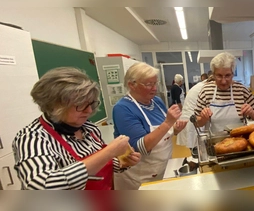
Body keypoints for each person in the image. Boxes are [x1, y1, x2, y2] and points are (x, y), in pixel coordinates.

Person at [12, 67, 141, 190]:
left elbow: (99, 167)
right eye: (80, 105)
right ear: (54, 105)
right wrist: (108, 152)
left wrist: (123, 162)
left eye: (91, 104)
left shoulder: (89, 128)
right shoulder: (32, 137)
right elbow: (40, 186)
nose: (89, 111)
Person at [112, 62, 188, 189]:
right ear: (132, 85)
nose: (154, 88)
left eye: (155, 83)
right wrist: (168, 122)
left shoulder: (156, 102)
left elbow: (163, 133)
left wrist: (175, 129)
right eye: (148, 84)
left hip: (163, 168)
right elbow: (141, 147)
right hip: (138, 177)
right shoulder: (123, 108)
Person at [194, 52, 254, 133]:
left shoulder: (241, 90)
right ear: (213, 75)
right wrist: (203, 118)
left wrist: (251, 112)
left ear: (233, 74)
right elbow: (196, 123)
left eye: (227, 75)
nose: (223, 81)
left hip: (240, 141)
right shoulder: (206, 91)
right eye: (219, 76)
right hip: (216, 141)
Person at [177, 73, 213, 148]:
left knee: (196, 146)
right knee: (196, 147)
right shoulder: (206, 88)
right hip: (192, 117)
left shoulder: (200, 85)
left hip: (189, 116)